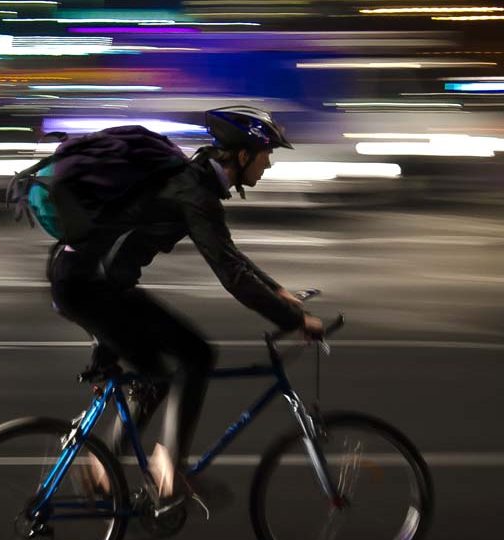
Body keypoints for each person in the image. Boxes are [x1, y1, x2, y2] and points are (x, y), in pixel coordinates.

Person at [47, 106, 324, 511]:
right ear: (242, 155)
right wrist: (295, 320)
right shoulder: (193, 192)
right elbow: (230, 275)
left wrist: (277, 291)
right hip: (90, 288)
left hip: (90, 282)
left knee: (156, 372)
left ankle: (104, 466)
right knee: (196, 354)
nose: (269, 165)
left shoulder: (191, 182)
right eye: (266, 155)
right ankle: (166, 470)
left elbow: (228, 254)